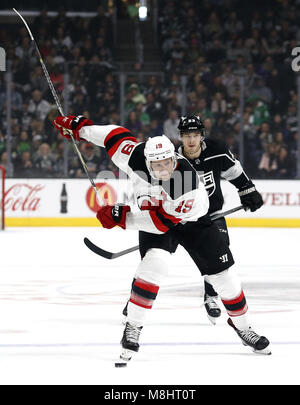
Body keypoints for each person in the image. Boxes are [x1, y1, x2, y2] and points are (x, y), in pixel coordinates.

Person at [53, 115, 271, 364]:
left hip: (193, 222)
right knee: (154, 264)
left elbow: (160, 224)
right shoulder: (134, 156)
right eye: (157, 165)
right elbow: (114, 135)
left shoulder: (185, 183)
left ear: (174, 158)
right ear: (146, 160)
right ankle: (133, 327)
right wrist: (81, 128)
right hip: (157, 217)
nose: (164, 169)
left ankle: (243, 326)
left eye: (168, 162)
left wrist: (122, 218)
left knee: (226, 278)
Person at [176, 115, 264, 324]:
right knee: (156, 256)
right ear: (180, 136)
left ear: (201, 136)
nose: (191, 140)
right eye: (187, 135)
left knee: (220, 249)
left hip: (211, 215)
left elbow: (234, 171)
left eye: (195, 135)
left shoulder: (217, 150)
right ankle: (132, 306)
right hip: (179, 217)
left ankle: (211, 296)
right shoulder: (171, 158)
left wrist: (247, 190)